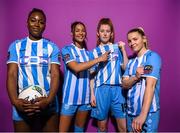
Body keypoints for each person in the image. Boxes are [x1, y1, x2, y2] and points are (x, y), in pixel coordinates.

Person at [6, 8, 60, 131]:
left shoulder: (52, 47)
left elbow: (55, 75)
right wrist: (15, 101)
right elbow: (12, 74)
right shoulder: (16, 46)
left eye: (41, 22)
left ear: (45, 26)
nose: (36, 24)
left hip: (47, 101)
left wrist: (49, 100)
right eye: (33, 20)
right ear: (27, 22)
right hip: (23, 103)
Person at [59, 21, 109, 132]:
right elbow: (76, 67)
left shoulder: (88, 54)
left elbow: (91, 74)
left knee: (79, 130)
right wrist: (99, 59)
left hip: (85, 98)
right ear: (72, 33)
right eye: (77, 30)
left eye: (83, 31)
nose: (81, 33)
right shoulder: (67, 49)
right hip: (70, 98)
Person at [90, 18, 128, 132]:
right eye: (102, 31)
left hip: (118, 90)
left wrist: (124, 50)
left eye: (108, 31)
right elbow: (92, 74)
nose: (105, 33)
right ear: (98, 33)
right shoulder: (94, 52)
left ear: (111, 33)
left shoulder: (117, 48)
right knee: (102, 126)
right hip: (101, 90)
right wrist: (92, 94)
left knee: (123, 127)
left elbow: (125, 67)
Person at [122, 27, 162, 132]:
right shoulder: (130, 62)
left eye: (135, 39)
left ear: (144, 39)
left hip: (148, 113)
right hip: (130, 113)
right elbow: (124, 84)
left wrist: (143, 115)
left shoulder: (152, 57)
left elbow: (151, 86)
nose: (132, 43)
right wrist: (135, 77)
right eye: (129, 41)